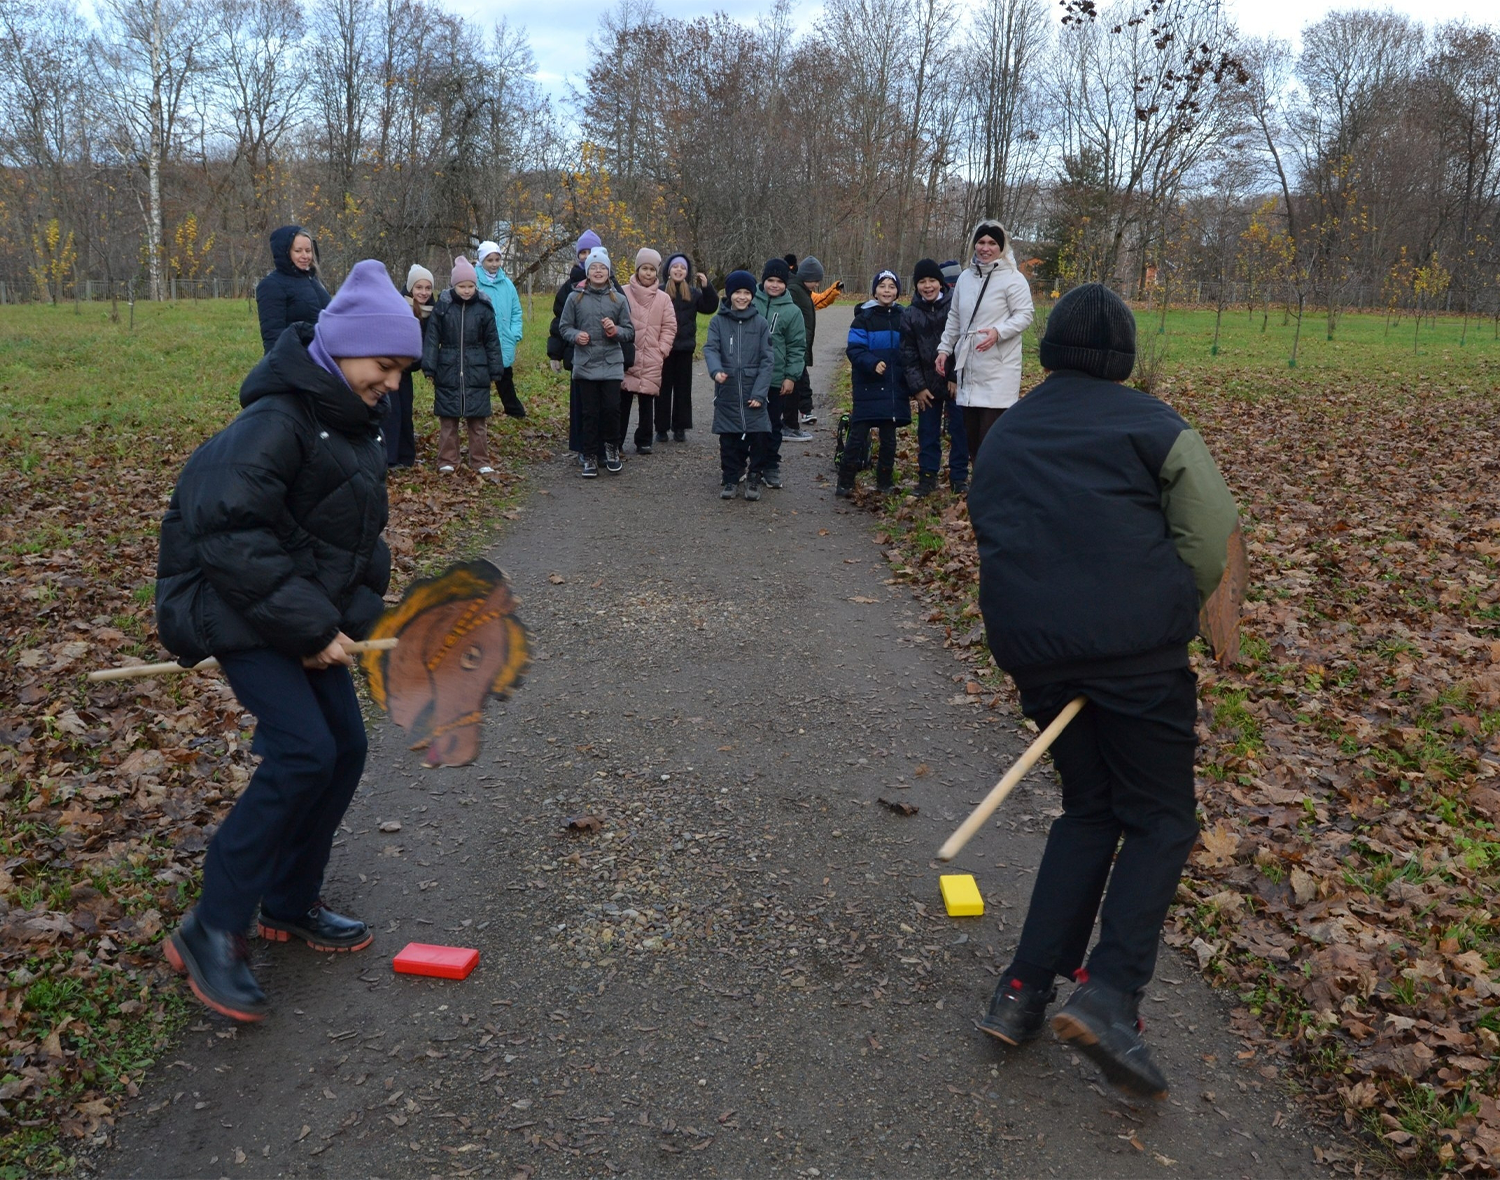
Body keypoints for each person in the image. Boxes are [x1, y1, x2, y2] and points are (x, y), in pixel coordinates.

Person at [967, 283, 1238, 1100]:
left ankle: (1020, 992)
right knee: (1161, 817)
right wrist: (1165, 615)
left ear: (1050, 350)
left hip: (1039, 658)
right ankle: (1111, 995)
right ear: (1122, 356)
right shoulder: (1155, 425)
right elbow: (1211, 531)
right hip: (1139, 661)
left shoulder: (1007, 432)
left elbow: (994, 525)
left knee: (1090, 808)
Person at [155, 259, 422, 1021]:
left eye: (403, 370)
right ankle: (212, 927)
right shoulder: (275, 421)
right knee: (303, 748)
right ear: (341, 349)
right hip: (232, 604)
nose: (393, 383)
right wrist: (307, 630)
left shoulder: (354, 425)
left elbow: (346, 548)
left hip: (292, 607)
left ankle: (287, 900)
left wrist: (372, 623)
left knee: (343, 746)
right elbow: (229, 531)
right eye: (386, 365)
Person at [936, 220, 1034, 458]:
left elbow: (1025, 315)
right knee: (972, 440)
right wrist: (944, 349)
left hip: (998, 370)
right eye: (981, 242)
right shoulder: (965, 278)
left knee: (991, 440)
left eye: (992, 243)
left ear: (1001, 247)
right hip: (969, 369)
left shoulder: (1013, 278)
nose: (985, 248)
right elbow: (956, 317)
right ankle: (979, 487)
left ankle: (994, 490)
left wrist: (998, 332)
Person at [423, 256, 504, 476]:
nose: (466, 291)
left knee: (477, 421)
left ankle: (480, 460)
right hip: (448, 368)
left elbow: (492, 341)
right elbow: (432, 338)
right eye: (462, 286)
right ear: (453, 286)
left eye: (470, 286)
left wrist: (496, 369)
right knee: (448, 420)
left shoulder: (484, 308)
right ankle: (447, 459)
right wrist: (429, 366)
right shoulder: (443, 307)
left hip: (476, 369)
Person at [558, 247, 635, 477]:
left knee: (612, 409)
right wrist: (576, 336)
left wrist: (615, 330)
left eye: (602, 267)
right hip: (585, 364)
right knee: (589, 413)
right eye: (594, 268)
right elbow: (564, 327)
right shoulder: (575, 298)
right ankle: (589, 456)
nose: (598, 271)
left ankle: (612, 450)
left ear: (609, 272)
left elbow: (630, 331)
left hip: (611, 364)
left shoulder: (619, 299)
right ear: (587, 272)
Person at [901, 258, 969, 496]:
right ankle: (927, 476)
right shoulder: (910, 314)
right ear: (916, 285)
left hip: (953, 382)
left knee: (959, 430)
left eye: (932, 281)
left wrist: (954, 377)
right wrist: (917, 387)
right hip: (927, 385)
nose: (927, 286)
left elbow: (962, 343)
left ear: (941, 284)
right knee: (928, 432)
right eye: (922, 281)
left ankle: (959, 476)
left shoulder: (956, 307)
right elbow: (908, 354)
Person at [838, 270, 909, 498]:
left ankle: (885, 481)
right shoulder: (863, 319)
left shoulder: (903, 317)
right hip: (868, 385)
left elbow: (909, 348)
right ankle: (845, 480)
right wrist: (872, 362)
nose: (886, 290)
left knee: (889, 438)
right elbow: (855, 349)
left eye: (891, 286)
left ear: (897, 291)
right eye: (882, 286)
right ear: (874, 290)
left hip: (892, 388)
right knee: (857, 435)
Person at [704, 270, 774, 501]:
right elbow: (711, 348)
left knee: (760, 437)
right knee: (728, 438)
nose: (742, 297)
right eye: (737, 292)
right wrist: (716, 371)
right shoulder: (718, 322)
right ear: (729, 294)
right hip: (728, 390)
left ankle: (754, 475)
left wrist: (760, 393)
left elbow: (767, 360)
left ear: (753, 295)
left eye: (747, 293)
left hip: (754, 391)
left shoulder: (761, 323)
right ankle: (731, 477)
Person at [751, 258, 807, 490]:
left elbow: (797, 346)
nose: (774, 285)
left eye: (779, 281)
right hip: (750, 376)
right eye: (770, 280)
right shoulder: (750, 301)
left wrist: (791, 376)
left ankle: (770, 465)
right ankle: (748, 464)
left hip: (776, 378)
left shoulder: (792, 311)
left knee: (773, 424)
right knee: (748, 423)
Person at [618, 248, 677, 454]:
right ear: (637, 270)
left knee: (647, 401)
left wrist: (662, 349)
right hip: (627, 355)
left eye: (652, 269)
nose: (648, 273)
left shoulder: (663, 298)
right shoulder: (623, 292)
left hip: (652, 356)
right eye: (644, 268)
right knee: (622, 402)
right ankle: (616, 441)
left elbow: (670, 326)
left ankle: (644, 440)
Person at [658, 254, 718, 442]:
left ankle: (680, 427)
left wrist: (707, 287)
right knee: (662, 389)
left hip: (685, 348)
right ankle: (661, 428)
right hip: (663, 349)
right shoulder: (659, 292)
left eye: (682, 268)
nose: (679, 270)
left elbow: (710, 307)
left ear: (687, 272)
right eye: (675, 267)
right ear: (668, 270)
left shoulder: (692, 293)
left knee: (683, 390)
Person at [382, 263, 433, 468]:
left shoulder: (432, 310)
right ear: (410, 288)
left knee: (405, 411)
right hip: (391, 366)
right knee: (391, 412)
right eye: (419, 288)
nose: (423, 292)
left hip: (409, 368)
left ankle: (405, 456)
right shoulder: (398, 306)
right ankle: (389, 457)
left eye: (428, 288)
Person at [255, 225, 331, 354]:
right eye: (298, 251)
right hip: (297, 361)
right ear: (285, 252)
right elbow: (273, 337)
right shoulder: (272, 285)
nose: (305, 256)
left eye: (308, 250)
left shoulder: (315, 281)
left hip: (324, 359)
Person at [474, 240, 527, 419]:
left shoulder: (507, 284)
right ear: (482, 261)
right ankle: (479, 411)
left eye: (497, 259)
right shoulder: (473, 282)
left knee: (505, 376)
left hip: (504, 338)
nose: (494, 264)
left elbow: (516, 310)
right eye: (490, 260)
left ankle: (514, 410)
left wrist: (515, 333)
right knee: (481, 376)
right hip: (481, 340)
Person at [784, 256, 817, 438]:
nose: (816, 285)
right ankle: (789, 424)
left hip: (800, 347)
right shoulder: (794, 291)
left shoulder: (803, 291)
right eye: (815, 281)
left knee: (799, 385)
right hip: (795, 348)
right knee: (794, 386)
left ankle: (791, 422)